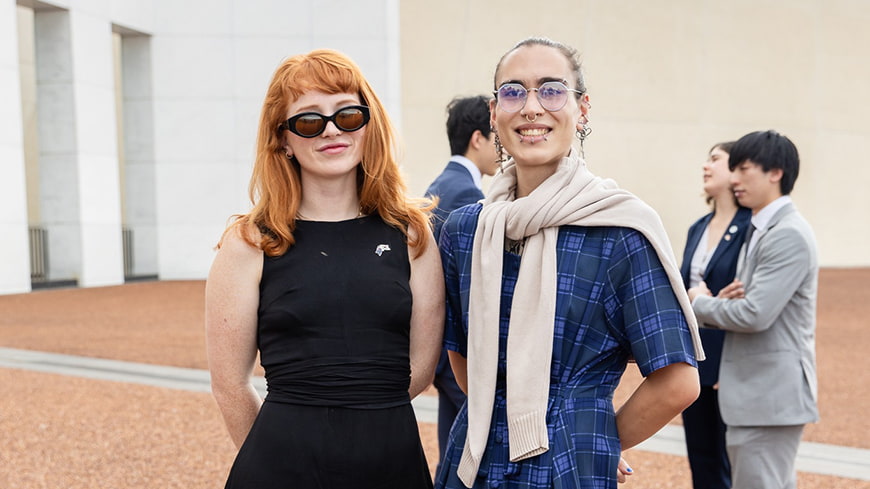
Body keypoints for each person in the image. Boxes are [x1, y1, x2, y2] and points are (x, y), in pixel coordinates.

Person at [434, 36, 703, 489]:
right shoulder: (467, 231)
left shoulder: (622, 231)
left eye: (552, 89)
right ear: (494, 110)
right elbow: (462, 354)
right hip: (474, 462)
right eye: (514, 91)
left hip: (569, 470)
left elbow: (678, 381)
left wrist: (594, 435)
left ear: (582, 109)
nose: (532, 107)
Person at [205, 49, 444, 489]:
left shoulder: (412, 236)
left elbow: (419, 373)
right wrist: (275, 460)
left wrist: (358, 421)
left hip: (391, 463)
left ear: (369, 122)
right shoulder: (250, 243)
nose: (332, 130)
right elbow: (230, 385)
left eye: (348, 115)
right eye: (310, 121)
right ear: (282, 138)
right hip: (281, 468)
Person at [689, 130, 818, 489]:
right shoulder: (762, 228)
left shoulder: (786, 233)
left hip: (768, 398)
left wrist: (700, 301)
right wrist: (726, 303)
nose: (734, 179)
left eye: (743, 169)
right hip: (758, 398)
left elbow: (754, 313)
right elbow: (745, 305)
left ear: (775, 172)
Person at [425, 94, 500, 466]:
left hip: (437, 351)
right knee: (484, 446)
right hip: (455, 352)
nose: (502, 148)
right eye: (495, 136)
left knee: (453, 450)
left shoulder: (440, 186)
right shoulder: (467, 195)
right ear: (477, 139)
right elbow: (471, 284)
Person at [679, 141, 751, 489]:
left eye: (715, 160)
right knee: (701, 458)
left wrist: (707, 300)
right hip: (694, 358)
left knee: (732, 462)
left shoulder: (750, 228)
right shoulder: (698, 227)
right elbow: (684, 288)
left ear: (736, 170)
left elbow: (742, 295)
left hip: (730, 359)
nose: (706, 166)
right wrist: (699, 298)